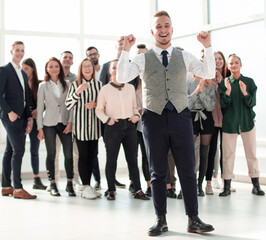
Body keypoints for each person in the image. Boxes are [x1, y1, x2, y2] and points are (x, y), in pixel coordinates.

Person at [117, 11, 215, 236]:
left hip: (181, 116)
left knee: (187, 171)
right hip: (153, 117)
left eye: (166, 26)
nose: (163, 30)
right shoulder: (142, 58)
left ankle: (193, 218)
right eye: (158, 27)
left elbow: (208, 71)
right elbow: (122, 77)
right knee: (158, 172)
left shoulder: (185, 56)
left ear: (172, 29)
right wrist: (125, 50)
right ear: (152, 32)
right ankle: (160, 219)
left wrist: (207, 46)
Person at [96, 59, 149, 201]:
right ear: (109, 70)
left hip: (129, 127)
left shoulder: (130, 88)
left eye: (120, 67)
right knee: (111, 159)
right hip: (113, 127)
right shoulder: (105, 89)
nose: (117, 70)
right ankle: (111, 190)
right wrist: (108, 120)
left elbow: (135, 107)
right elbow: (99, 110)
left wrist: (136, 116)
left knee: (133, 159)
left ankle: (138, 190)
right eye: (114, 67)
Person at [218, 54, 265, 197]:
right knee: (228, 155)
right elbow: (222, 105)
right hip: (229, 124)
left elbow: (252, 103)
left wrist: (245, 93)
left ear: (241, 64)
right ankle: (226, 187)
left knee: (251, 154)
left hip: (247, 123)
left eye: (236, 62)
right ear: (228, 66)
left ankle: (256, 185)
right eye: (231, 63)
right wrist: (227, 92)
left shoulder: (249, 82)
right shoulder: (224, 82)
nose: (233, 65)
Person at [0, 41, 36, 199]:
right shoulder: (4, 70)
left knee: (9, 150)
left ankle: (6, 186)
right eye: (17, 50)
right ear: (11, 51)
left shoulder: (22, 72)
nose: (20, 53)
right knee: (19, 150)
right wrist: (9, 112)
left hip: (22, 116)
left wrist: (29, 117)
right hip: (11, 117)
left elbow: (26, 97)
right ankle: (18, 188)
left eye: (22, 50)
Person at [37, 57, 75, 197]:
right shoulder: (43, 85)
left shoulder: (67, 83)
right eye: (51, 66)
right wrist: (39, 128)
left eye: (56, 66)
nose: (54, 69)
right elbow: (40, 108)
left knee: (68, 154)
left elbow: (71, 105)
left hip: (65, 123)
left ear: (60, 68)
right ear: (47, 69)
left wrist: (70, 122)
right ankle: (52, 184)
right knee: (51, 154)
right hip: (49, 124)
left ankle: (70, 184)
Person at [65, 58, 102, 199]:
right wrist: (77, 92)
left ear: (93, 68)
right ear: (80, 69)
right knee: (83, 156)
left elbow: (104, 104)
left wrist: (96, 104)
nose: (87, 69)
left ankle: (89, 186)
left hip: (95, 127)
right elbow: (68, 104)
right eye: (84, 66)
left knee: (92, 157)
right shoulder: (75, 85)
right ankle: (85, 186)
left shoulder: (99, 85)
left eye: (89, 66)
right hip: (80, 128)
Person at [187, 73, 216, 196]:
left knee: (204, 153)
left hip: (206, 118)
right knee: (188, 153)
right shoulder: (187, 81)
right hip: (191, 117)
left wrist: (203, 91)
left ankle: (200, 186)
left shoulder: (211, 84)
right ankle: (189, 185)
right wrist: (197, 90)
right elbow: (187, 104)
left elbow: (210, 107)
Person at [204, 51, 228, 194]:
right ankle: (208, 183)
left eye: (220, 59)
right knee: (211, 152)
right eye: (215, 59)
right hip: (211, 121)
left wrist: (221, 84)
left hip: (226, 121)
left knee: (226, 152)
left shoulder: (227, 79)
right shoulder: (207, 79)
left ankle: (226, 182)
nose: (218, 61)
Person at [22, 58, 47, 190]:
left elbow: (47, 102)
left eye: (26, 68)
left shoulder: (40, 83)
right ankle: (17, 180)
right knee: (18, 150)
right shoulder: (20, 82)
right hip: (22, 120)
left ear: (32, 68)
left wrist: (39, 108)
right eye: (22, 68)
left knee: (34, 151)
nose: (24, 71)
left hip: (37, 121)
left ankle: (36, 179)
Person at [59, 51, 82, 192]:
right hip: (55, 121)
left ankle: (75, 180)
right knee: (54, 153)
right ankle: (53, 182)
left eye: (70, 58)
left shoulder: (75, 78)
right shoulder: (53, 76)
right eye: (65, 58)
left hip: (71, 121)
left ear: (72, 62)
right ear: (61, 60)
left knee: (74, 153)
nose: (67, 60)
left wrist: (71, 121)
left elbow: (76, 102)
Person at [86, 46, 102, 190]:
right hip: (89, 118)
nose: (92, 56)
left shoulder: (105, 69)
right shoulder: (86, 73)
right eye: (90, 55)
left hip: (104, 114)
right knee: (91, 152)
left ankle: (110, 179)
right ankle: (95, 179)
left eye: (94, 54)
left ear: (98, 54)